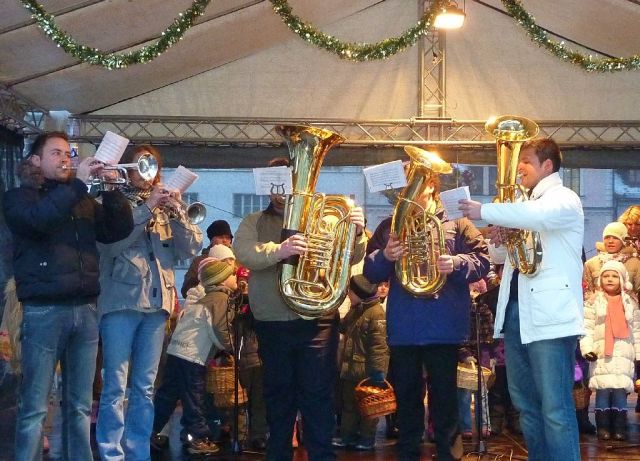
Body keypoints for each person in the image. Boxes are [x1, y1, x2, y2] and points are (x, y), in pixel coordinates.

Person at [3, 131, 133, 461]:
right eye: (56, 153)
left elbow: (115, 231)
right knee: (34, 406)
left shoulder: (81, 198)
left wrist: (113, 190)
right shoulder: (20, 197)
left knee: (78, 405)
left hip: (85, 308)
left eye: (68, 153)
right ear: (35, 160)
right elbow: (38, 222)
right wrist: (79, 186)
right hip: (44, 310)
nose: (65, 159)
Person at [233, 157, 368, 461]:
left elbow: (351, 254)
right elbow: (243, 252)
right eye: (276, 181)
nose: (281, 189)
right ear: (267, 187)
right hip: (273, 321)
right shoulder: (254, 220)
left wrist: (357, 231)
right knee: (278, 399)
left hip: (317, 318)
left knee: (319, 398)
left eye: (290, 179)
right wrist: (279, 250)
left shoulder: (326, 218)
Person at [459, 137, 584, 461]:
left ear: (547, 165)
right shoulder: (524, 208)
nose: (519, 168)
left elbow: (539, 216)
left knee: (555, 407)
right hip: (517, 315)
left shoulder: (564, 198)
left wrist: (485, 210)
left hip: (551, 320)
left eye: (526, 160)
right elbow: (504, 256)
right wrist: (501, 236)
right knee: (526, 405)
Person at [365, 153, 490, 461]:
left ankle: (450, 455)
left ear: (431, 187)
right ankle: (407, 453)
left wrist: (457, 262)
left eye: (413, 183)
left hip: (443, 325)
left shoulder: (458, 224)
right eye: (403, 184)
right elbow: (370, 273)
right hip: (405, 326)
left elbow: (483, 260)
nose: (404, 190)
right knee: (406, 399)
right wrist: (386, 257)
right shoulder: (390, 225)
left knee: (445, 399)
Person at [95, 145, 203, 460]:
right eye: (142, 166)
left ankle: (138, 451)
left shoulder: (163, 207)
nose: (149, 173)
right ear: (127, 168)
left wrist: (179, 211)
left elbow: (190, 249)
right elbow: (109, 245)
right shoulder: (109, 201)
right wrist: (146, 209)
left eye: (154, 167)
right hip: (120, 303)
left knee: (144, 387)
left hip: (158, 306)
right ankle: (110, 452)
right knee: (114, 385)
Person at [152, 256, 238, 455]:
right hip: (192, 356)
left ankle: (150, 428)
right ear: (222, 280)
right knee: (194, 397)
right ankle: (197, 438)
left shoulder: (205, 298)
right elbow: (219, 328)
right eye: (231, 274)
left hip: (176, 351)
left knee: (168, 394)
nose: (235, 277)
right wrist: (230, 346)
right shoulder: (220, 298)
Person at [580, 260, 640, 441]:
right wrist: (587, 348)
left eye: (615, 276)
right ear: (600, 280)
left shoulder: (630, 303)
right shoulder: (593, 302)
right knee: (603, 390)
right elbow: (587, 328)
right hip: (601, 353)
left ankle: (620, 426)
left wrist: (638, 352)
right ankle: (603, 426)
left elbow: (636, 329)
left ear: (622, 280)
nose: (610, 279)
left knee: (621, 389)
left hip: (623, 353)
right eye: (606, 275)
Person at [332, 274, 389, 451]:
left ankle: (367, 438)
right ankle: (347, 435)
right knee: (349, 405)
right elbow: (343, 327)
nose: (348, 294)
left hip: (367, 371)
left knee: (369, 407)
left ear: (358, 293)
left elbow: (380, 347)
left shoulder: (376, 313)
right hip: (351, 368)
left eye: (350, 291)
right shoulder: (357, 310)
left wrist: (379, 372)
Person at [583, 221, 640, 295]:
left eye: (615, 238)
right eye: (607, 237)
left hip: (628, 305)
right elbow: (587, 292)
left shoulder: (635, 263)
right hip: (599, 305)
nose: (610, 241)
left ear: (623, 241)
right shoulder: (591, 264)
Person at [182, 220, 234, 297]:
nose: (225, 240)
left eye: (228, 237)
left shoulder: (236, 260)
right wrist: (203, 278)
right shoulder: (200, 261)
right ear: (211, 240)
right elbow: (186, 290)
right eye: (220, 237)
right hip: (208, 303)